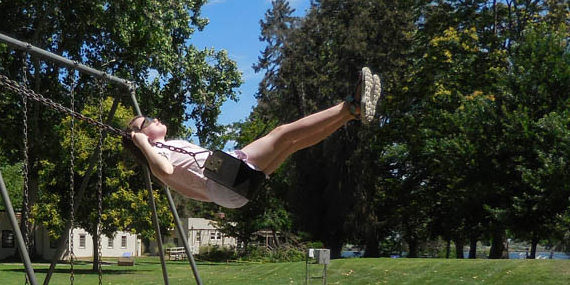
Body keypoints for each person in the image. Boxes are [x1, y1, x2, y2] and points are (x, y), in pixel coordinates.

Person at [125, 67, 382, 209]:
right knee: (282, 133)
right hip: (226, 180)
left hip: (231, 191)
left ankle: (350, 115)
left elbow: (196, 193)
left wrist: (220, 198)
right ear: (142, 137)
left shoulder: (166, 149)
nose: (152, 119)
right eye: (145, 123)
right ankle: (347, 106)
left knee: (291, 144)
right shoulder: (158, 154)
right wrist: (143, 144)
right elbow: (165, 169)